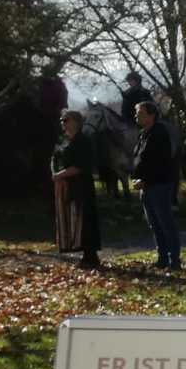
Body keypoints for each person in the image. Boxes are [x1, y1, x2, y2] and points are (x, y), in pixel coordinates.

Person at [131, 100, 180, 268]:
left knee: (165, 223)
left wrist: (144, 179)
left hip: (159, 184)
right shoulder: (143, 134)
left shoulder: (159, 133)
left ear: (151, 116)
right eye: (136, 113)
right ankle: (162, 258)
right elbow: (139, 159)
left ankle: (174, 259)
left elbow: (160, 162)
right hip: (146, 186)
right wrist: (136, 177)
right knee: (154, 224)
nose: (136, 116)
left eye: (140, 113)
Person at [52, 109, 102, 268]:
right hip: (69, 185)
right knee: (74, 219)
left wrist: (59, 175)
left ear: (76, 122)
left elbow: (81, 166)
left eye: (66, 120)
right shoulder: (66, 141)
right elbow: (57, 159)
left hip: (81, 185)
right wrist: (56, 172)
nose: (63, 123)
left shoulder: (83, 141)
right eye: (62, 120)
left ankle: (91, 256)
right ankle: (85, 254)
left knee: (85, 219)